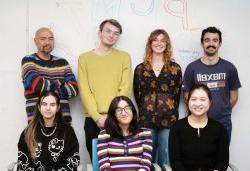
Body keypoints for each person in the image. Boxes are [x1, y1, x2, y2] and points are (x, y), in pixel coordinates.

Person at [78, 19, 132, 160]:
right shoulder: (84, 58)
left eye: (116, 33)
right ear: (99, 33)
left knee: (119, 162)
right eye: (108, 31)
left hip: (118, 118)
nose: (111, 35)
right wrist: (97, 118)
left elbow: (125, 88)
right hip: (93, 120)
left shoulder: (124, 57)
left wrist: (112, 115)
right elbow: (84, 90)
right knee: (97, 163)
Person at [133, 29, 182, 168]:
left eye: (162, 40)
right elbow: (138, 94)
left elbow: (177, 95)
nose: (159, 43)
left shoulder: (175, 68)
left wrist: (168, 109)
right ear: (150, 43)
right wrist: (145, 109)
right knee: (147, 159)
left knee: (166, 159)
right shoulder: (140, 69)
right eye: (155, 40)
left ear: (167, 44)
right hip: (146, 120)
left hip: (169, 120)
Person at [182, 26, 241, 140]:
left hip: (223, 123)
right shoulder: (192, 68)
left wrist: (222, 111)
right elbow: (186, 96)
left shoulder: (229, 68)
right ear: (202, 43)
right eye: (207, 40)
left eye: (215, 40)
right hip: (197, 123)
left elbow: (234, 97)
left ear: (220, 43)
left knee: (221, 157)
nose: (211, 43)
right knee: (197, 157)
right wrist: (198, 112)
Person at [21, 27, 78, 123]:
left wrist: (46, 86)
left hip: (63, 119)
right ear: (35, 41)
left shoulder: (62, 62)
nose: (47, 42)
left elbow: (74, 89)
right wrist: (61, 83)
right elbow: (37, 85)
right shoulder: (28, 60)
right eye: (43, 39)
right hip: (37, 120)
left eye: (51, 39)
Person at [169, 84, 229, 171]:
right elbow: (175, 162)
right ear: (188, 101)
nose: (198, 104)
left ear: (210, 102)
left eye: (203, 100)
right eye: (193, 99)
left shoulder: (219, 129)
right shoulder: (177, 128)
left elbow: (223, 162)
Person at [17, 91, 80, 171]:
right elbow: (23, 161)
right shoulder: (27, 132)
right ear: (39, 107)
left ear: (58, 108)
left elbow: (72, 159)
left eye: (52, 104)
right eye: (44, 104)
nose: (48, 108)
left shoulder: (68, 131)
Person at [97, 96, 153, 171]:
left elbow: (146, 163)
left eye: (127, 108)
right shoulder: (104, 135)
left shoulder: (145, 133)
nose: (123, 113)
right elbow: (104, 166)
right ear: (114, 115)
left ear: (132, 110)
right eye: (119, 110)